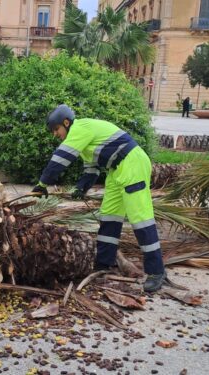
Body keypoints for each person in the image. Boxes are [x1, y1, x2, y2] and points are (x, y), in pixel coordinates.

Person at [31, 105, 167, 292]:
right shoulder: (86, 139)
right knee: (109, 216)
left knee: (140, 219)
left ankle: (157, 272)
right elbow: (92, 170)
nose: (55, 134)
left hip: (132, 164)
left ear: (66, 123)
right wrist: (81, 188)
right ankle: (104, 264)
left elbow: (60, 159)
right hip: (116, 171)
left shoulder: (80, 129)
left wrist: (42, 184)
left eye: (56, 129)